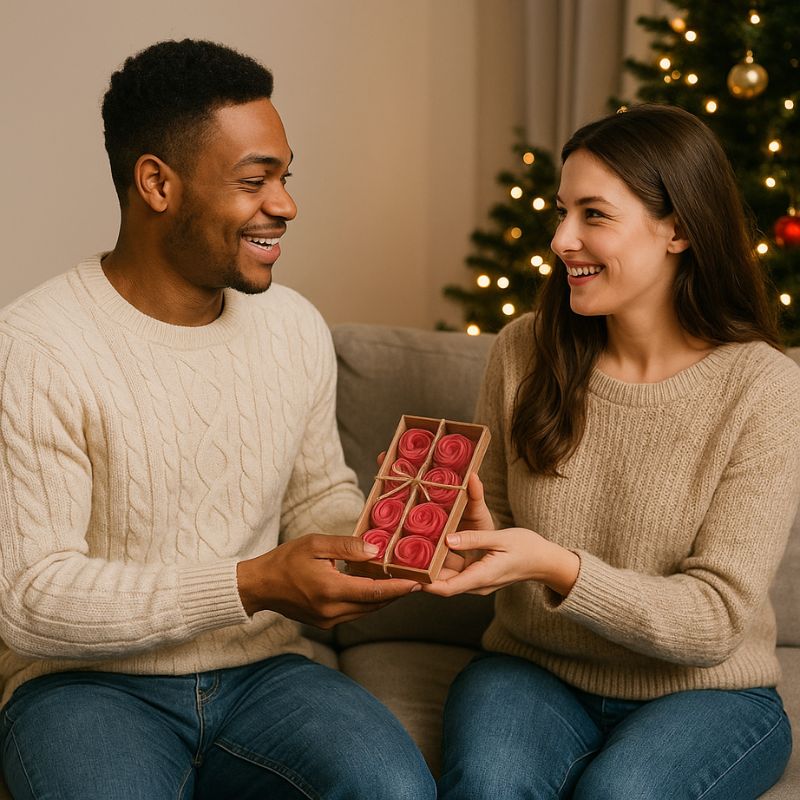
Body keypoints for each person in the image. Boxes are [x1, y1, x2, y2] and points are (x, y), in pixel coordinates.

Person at [0, 39, 434, 799]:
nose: (286, 205)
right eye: (254, 180)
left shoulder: (293, 327)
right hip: (82, 688)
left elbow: (313, 497)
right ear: (156, 183)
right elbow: (32, 599)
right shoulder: (35, 347)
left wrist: (389, 535)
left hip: (261, 673)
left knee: (395, 790)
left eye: (285, 177)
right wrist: (251, 582)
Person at [426, 104, 800, 798]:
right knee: (488, 786)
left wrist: (557, 566)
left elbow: (716, 618)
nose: (563, 239)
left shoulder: (766, 388)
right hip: (534, 669)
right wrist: (472, 542)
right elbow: (497, 519)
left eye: (593, 214)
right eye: (561, 212)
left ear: (678, 228)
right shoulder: (524, 349)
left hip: (706, 694)